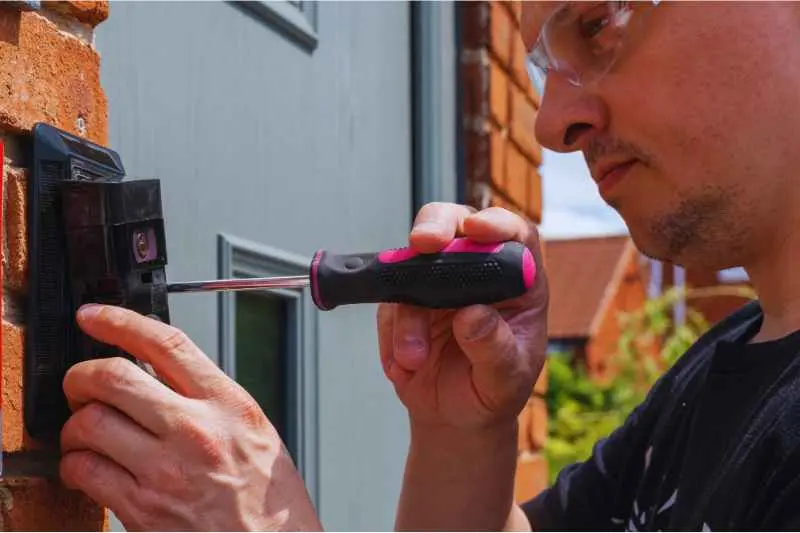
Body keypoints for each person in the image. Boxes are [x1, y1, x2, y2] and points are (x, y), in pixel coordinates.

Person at [56, 1, 800, 530]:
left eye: (598, 25)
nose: (550, 125)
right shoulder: (723, 371)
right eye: (541, 66)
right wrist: (462, 437)